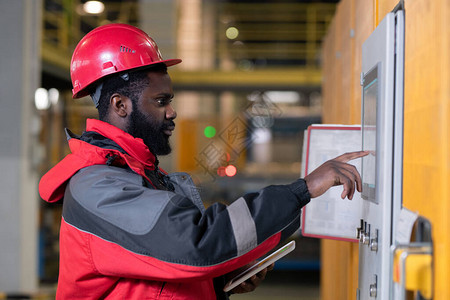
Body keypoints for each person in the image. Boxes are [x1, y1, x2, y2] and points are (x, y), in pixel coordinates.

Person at [39, 23, 368, 299]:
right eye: (161, 101)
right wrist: (303, 190)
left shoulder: (136, 174)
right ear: (120, 105)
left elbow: (153, 270)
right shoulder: (99, 188)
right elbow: (196, 243)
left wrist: (216, 281)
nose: (172, 112)